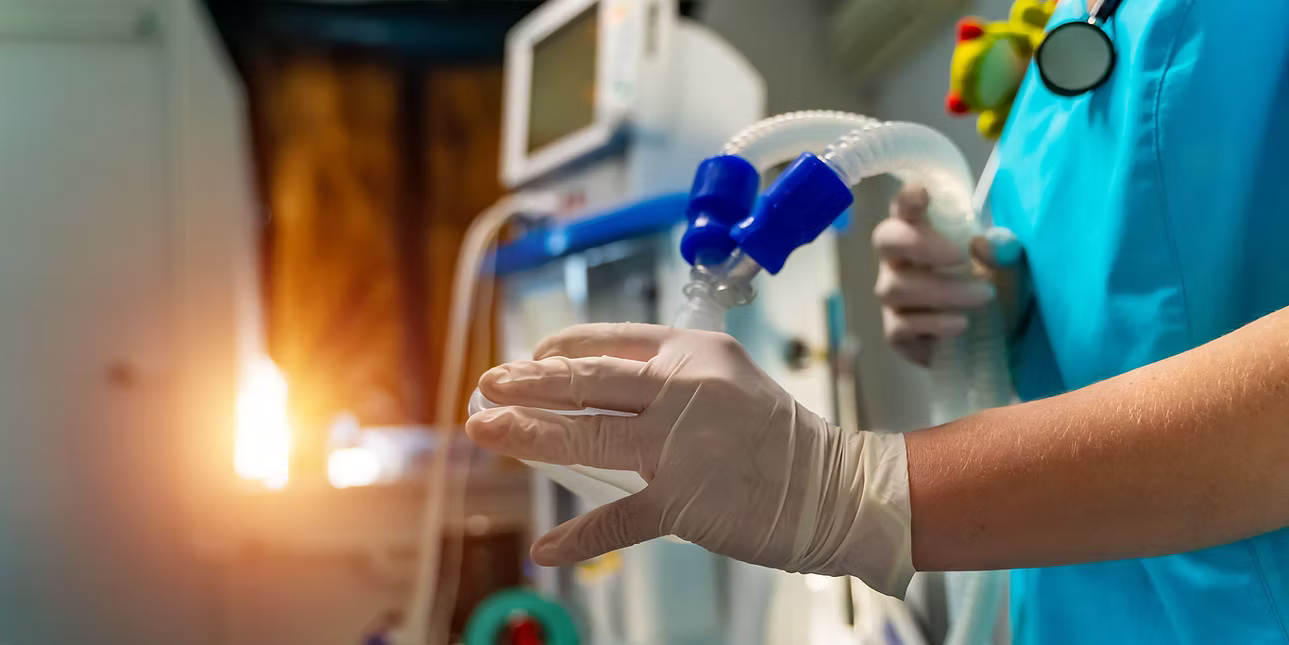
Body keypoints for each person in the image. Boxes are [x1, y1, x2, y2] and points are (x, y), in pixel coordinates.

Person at [466, 1, 1289, 643]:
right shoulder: (1068, 22)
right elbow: (1142, 277)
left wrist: (855, 490)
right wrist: (987, 302)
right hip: (1077, 606)